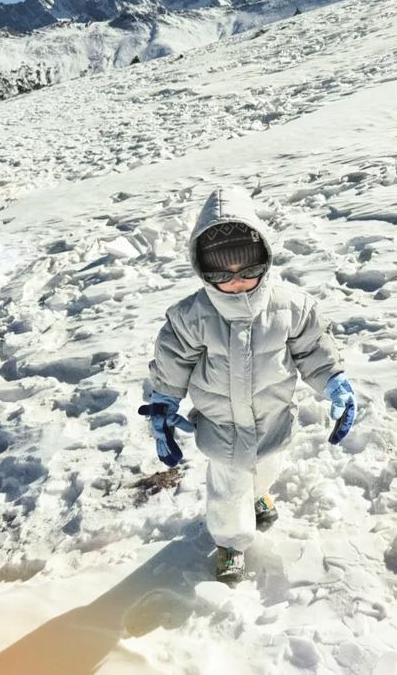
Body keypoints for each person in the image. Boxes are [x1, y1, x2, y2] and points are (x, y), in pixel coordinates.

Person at [140, 185, 357, 584]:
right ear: (203, 271)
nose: (238, 282)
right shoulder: (191, 317)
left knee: (266, 468)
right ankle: (230, 542)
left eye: (249, 270)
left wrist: (334, 383)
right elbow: (170, 366)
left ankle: (258, 493)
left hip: (272, 418)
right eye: (222, 274)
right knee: (227, 490)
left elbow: (313, 352)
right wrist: (162, 406)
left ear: (265, 259)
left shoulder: (291, 307)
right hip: (221, 425)